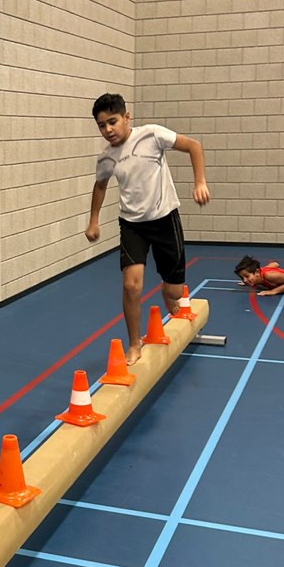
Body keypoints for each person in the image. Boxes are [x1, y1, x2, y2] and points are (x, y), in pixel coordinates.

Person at [84, 93, 210, 364]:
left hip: (165, 220)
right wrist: (93, 220)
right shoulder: (106, 158)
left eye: (112, 122)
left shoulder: (152, 135)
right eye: (102, 125)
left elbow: (194, 146)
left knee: (174, 292)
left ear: (126, 117)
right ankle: (134, 343)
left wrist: (200, 182)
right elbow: (100, 186)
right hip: (132, 225)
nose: (108, 130)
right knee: (131, 286)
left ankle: (168, 293)